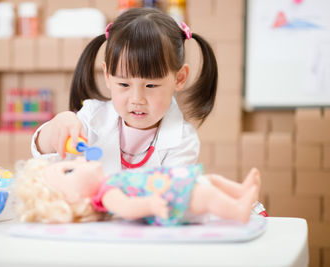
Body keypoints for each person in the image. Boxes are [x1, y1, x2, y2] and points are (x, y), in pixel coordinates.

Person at [31, 8, 218, 174]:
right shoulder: (92, 118)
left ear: (179, 78)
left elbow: (171, 196)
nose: (137, 99)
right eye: (124, 85)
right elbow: (44, 153)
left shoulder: (183, 140)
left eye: (151, 86)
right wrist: (58, 125)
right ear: (107, 76)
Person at [14, 157, 261, 225]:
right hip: (173, 200)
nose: (79, 159)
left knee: (212, 180)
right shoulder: (107, 195)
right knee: (207, 196)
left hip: (178, 184)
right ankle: (238, 210)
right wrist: (151, 206)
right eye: (69, 172)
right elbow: (128, 208)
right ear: (74, 199)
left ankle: (240, 191)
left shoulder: (111, 180)